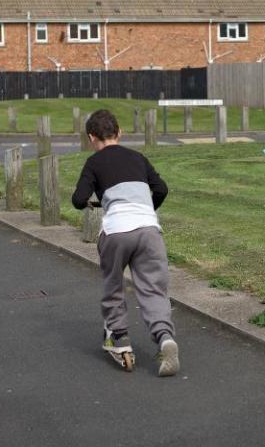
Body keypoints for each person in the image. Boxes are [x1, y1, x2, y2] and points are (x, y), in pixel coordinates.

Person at [71, 109, 179, 377]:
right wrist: (148, 209)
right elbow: (162, 188)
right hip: (149, 230)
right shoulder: (138, 158)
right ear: (119, 133)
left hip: (117, 230)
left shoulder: (94, 162)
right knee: (154, 289)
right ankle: (164, 337)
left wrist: (92, 200)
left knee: (113, 285)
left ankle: (119, 338)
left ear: (91, 137)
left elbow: (77, 198)